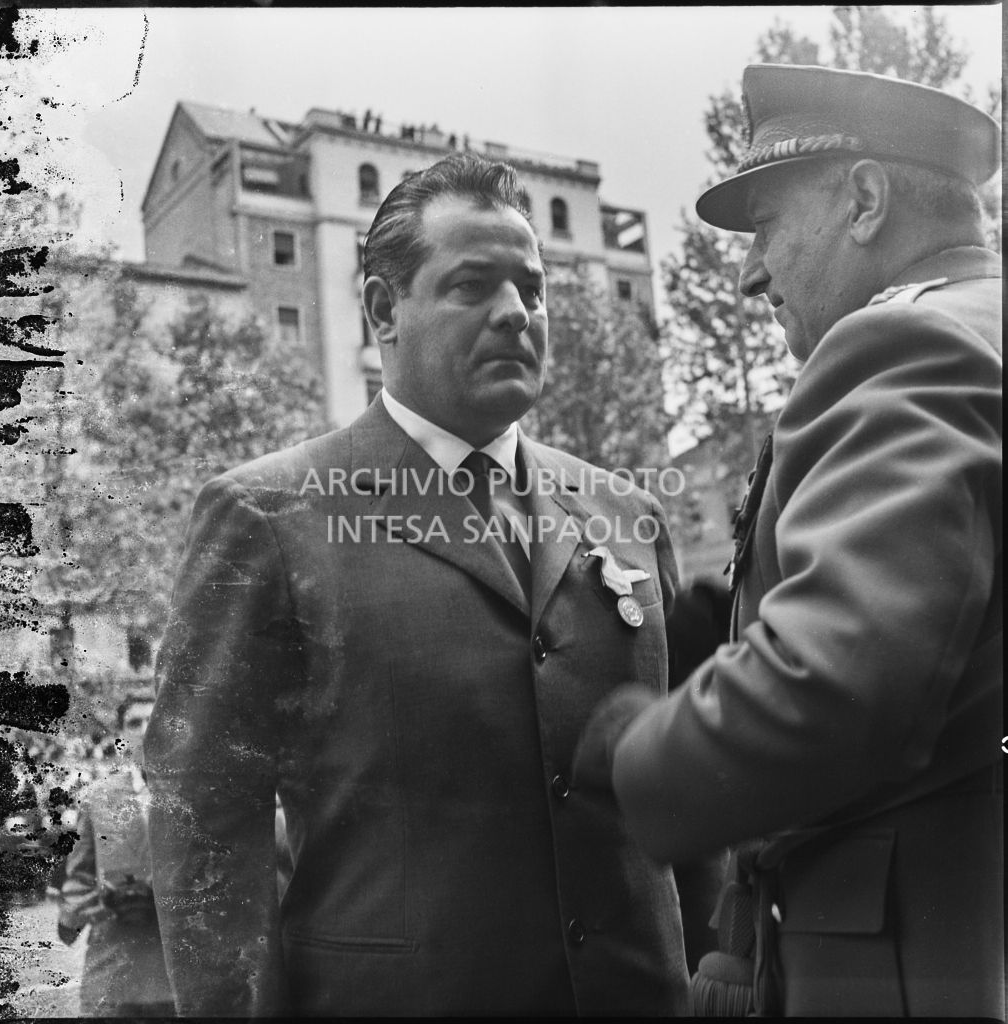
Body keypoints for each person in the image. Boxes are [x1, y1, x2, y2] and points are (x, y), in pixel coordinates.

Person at [145, 152, 719, 1017]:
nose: (517, 314)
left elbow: (689, 775)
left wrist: (719, 960)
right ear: (384, 310)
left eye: (533, 287)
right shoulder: (267, 515)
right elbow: (206, 826)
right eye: (473, 285)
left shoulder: (627, 510)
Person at [573, 64, 1002, 1017]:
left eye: (766, 226)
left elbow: (837, 680)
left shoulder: (899, 345)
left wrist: (633, 753)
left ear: (864, 198)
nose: (752, 269)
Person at [58, 693, 174, 1018]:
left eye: (154, 719)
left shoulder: (196, 797)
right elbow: (79, 875)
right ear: (121, 738)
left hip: (179, 970)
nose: (146, 729)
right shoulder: (98, 797)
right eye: (135, 722)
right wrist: (83, 909)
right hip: (115, 968)